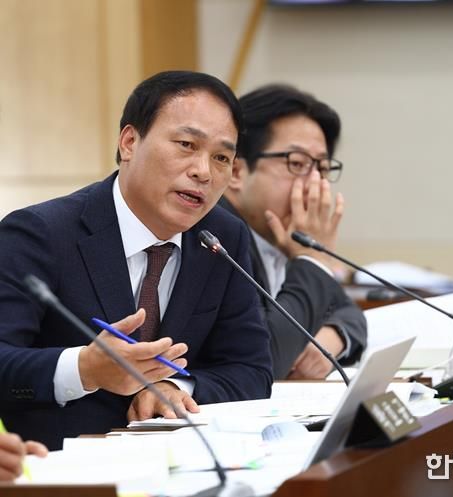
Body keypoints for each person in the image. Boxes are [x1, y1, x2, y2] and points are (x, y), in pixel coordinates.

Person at [0, 71, 272, 450]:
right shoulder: (40, 233)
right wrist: (84, 369)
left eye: (221, 157)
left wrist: (173, 386)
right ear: (129, 142)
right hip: (65, 467)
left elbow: (252, 369)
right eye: (186, 144)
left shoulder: (221, 237)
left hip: (184, 461)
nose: (203, 171)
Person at [221, 84, 367, 380]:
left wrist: (334, 335)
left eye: (322, 168)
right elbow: (264, 360)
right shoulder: (217, 236)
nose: (314, 184)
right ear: (236, 172)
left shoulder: (281, 238)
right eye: (297, 164)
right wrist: (312, 260)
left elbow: (349, 312)